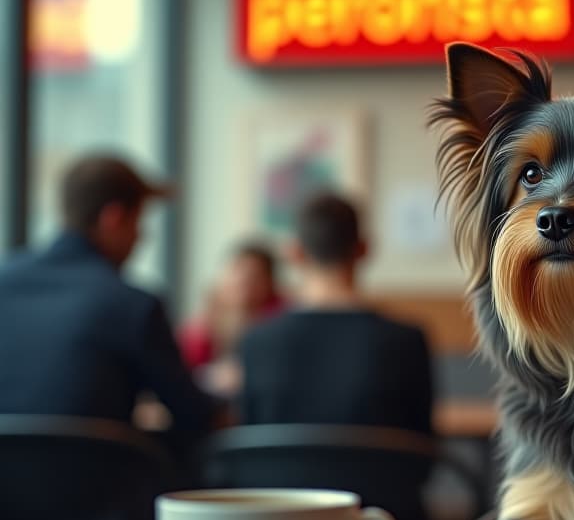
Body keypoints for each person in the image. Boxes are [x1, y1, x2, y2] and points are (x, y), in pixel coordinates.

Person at [0, 154, 216, 434]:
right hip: (93, 475)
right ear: (112, 218)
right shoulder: (132, 305)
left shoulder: (5, 282)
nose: (141, 237)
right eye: (138, 222)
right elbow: (194, 414)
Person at [237, 193, 433, 434]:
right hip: (375, 473)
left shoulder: (256, 342)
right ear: (363, 249)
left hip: (280, 473)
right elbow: (422, 445)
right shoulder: (407, 342)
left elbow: (250, 439)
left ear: (294, 253)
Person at [178, 242, 285, 370]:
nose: (242, 281)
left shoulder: (280, 316)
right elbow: (183, 365)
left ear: (269, 283)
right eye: (237, 271)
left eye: (254, 276)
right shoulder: (206, 319)